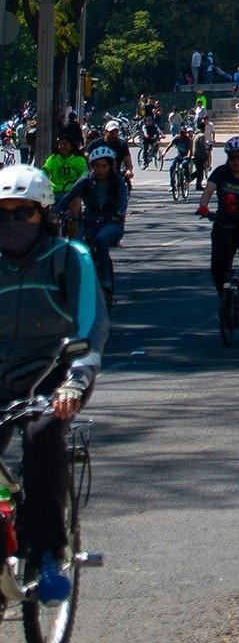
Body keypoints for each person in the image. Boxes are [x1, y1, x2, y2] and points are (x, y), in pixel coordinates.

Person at [0, 162, 108, 602]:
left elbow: (89, 327)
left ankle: (47, 553)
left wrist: (74, 383)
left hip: (52, 379)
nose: (12, 224)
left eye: (22, 213)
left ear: (44, 214)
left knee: (43, 437)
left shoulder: (70, 258)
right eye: (2, 215)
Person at [197, 136, 239, 307]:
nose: (235, 161)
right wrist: (204, 207)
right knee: (217, 263)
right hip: (225, 219)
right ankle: (224, 297)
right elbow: (208, 191)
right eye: (231, 157)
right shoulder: (221, 172)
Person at [59, 144, 129, 297]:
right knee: (78, 246)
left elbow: (123, 201)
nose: (101, 170)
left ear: (111, 166)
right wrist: (55, 211)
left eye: (104, 166)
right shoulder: (85, 182)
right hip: (89, 223)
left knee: (101, 240)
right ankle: (77, 281)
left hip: (111, 223)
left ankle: (105, 280)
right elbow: (69, 196)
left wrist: (119, 212)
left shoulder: (118, 182)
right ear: (92, 167)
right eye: (97, 166)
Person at [43, 133, 88, 202]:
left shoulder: (79, 159)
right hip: (54, 192)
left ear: (71, 147)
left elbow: (84, 173)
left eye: (66, 144)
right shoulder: (53, 159)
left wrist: (82, 179)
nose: (63, 146)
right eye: (60, 144)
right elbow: (45, 170)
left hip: (71, 193)